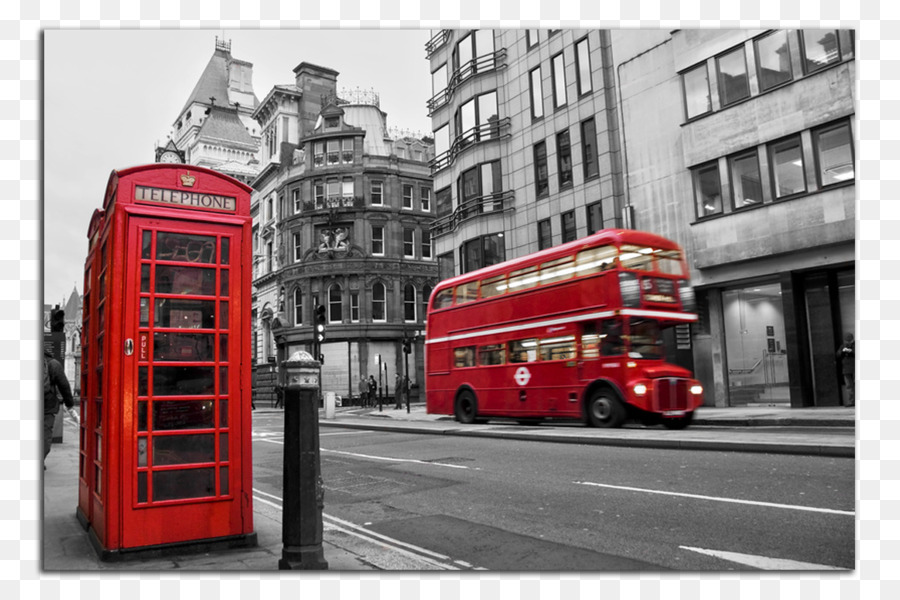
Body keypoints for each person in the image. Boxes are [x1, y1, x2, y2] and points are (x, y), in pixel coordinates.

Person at [43, 349, 77, 469]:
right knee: (45, 435)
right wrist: (70, 405)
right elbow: (64, 385)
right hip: (47, 406)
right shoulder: (53, 363)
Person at [836, 332, 855, 407]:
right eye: (847, 340)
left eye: (849, 340)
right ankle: (851, 401)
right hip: (846, 369)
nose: (848, 342)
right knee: (849, 386)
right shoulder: (843, 346)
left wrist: (850, 351)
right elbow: (838, 354)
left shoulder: (855, 345)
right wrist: (842, 351)